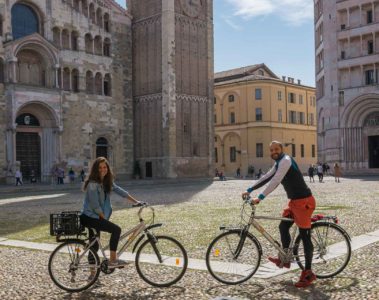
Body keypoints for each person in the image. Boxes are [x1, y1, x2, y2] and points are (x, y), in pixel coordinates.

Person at [242, 141, 317, 288]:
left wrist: (260, 198)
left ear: (281, 149)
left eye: (276, 149)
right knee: (283, 227)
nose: (274, 151)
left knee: (305, 236)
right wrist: (249, 189)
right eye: (271, 150)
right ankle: (286, 259)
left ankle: (308, 273)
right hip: (294, 202)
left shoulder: (286, 161)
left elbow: (276, 181)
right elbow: (267, 177)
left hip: (304, 202)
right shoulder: (278, 163)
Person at [80, 157, 143, 276]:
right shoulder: (93, 184)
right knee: (116, 229)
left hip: (96, 217)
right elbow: (94, 204)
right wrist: (102, 217)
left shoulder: (106, 181)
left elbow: (119, 191)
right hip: (90, 217)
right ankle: (112, 260)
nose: (102, 170)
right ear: (95, 170)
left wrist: (136, 201)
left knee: (94, 244)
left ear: (108, 168)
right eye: (100, 168)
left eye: (105, 167)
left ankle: (93, 276)